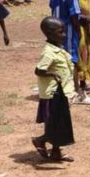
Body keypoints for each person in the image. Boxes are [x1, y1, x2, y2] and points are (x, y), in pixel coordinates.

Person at [50, 0, 90, 104]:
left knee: (60, 60)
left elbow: (52, 7)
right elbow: (74, 14)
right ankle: (77, 93)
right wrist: (77, 30)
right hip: (67, 31)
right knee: (73, 61)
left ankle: (61, 88)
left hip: (55, 30)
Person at [32, 17, 75, 162]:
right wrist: (52, 73)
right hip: (53, 94)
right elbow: (38, 70)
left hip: (61, 92)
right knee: (55, 123)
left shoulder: (57, 48)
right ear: (50, 33)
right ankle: (40, 140)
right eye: (61, 32)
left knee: (61, 121)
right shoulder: (48, 52)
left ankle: (56, 152)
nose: (64, 35)